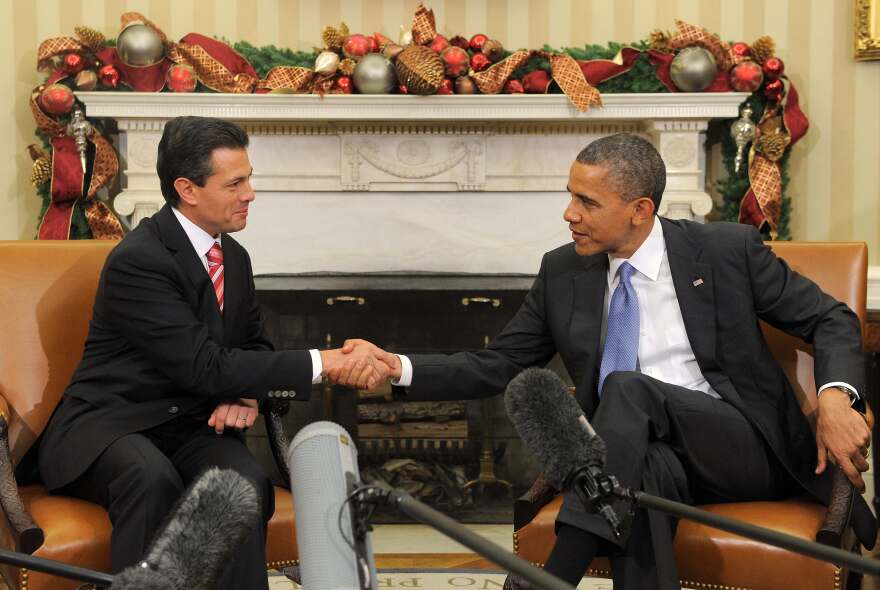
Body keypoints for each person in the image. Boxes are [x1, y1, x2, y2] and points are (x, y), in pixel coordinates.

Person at [334, 134, 876, 589]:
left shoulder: (727, 251)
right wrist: (396, 367)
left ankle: (547, 577)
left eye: (588, 202)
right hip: (637, 456)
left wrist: (835, 396)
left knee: (628, 389)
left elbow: (830, 318)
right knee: (640, 480)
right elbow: (495, 364)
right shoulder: (563, 272)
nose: (570, 215)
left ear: (641, 210)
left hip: (742, 448)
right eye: (570, 196)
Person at [37, 116, 384, 588]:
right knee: (150, 477)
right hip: (111, 423)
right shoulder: (140, 260)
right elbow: (205, 365)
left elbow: (253, 345)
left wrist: (242, 396)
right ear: (188, 188)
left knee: (240, 479)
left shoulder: (233, 258)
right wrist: (326, 362)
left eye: (249, 179)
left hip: (191, 422)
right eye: (235, 182)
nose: (250, 194)